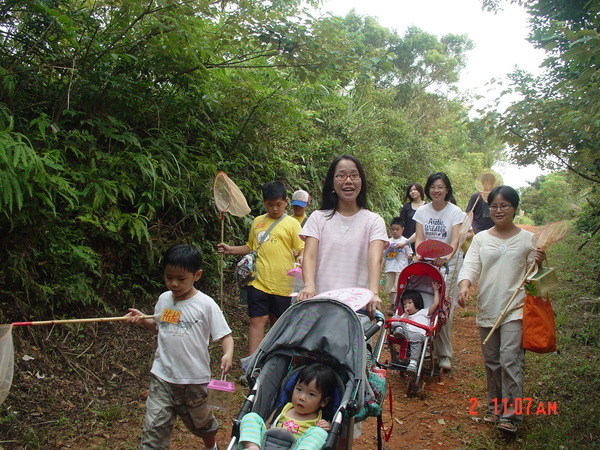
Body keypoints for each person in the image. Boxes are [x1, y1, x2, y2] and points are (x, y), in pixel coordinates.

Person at [125, 244, 234, 450]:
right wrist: (142, 320)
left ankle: (211, 446)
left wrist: (227, 353)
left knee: (201, 424)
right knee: (154, 427)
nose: (173, 284)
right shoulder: (164, 300)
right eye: (168, 277)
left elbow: (225, 336)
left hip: (194, 379)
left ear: (197, 275)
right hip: (162, 376)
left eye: (181, 279)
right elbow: (161, 326)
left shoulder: (206, 305)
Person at [457, 186, 545, 435]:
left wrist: (539, 261)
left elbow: (535, 277)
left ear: (514, 208)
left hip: (515, 308)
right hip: (488, 307)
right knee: (492, 361)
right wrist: (464, 286)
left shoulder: (528, 239)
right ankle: (495, 405)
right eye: (494, 206)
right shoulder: (482, 239)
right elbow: (470, 267)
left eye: (504, 205)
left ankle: (512, 415)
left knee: (510, 360)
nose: (498, 210)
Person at [218, 181, 304, 355]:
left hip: (283, 284)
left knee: (278, 323)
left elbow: (302, 249)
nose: (274, 209)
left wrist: (301, 258)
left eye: (279, 204)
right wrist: (230, 249)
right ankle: (251, 364)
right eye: (270, 205)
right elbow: (250, 247)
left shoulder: (293, 224)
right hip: (258, 281)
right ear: (264, 203)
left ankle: (275, 360)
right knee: (257, 320)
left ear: (286, 202)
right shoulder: (257, 222)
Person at [296, 155, 388, 317]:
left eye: (354, 175)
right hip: (320, 302)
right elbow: (309, 255)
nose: (348, 180)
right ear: (332, 183)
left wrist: (373, 292)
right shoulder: (318, 218)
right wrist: (309, 285)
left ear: (361, 181)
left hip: (357, 308)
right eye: (341, 175)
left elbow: (375, 259)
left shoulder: (374, 221)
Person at [413, 172, 464, 370]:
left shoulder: (455, 212)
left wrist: (446, 258)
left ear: (447, 189)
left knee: (445, 309)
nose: (437, 190)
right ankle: (424, 345)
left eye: (441, 187)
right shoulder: (422, 212)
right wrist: (419, 253)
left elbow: (455, 239)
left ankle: (444, 353)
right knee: (426, 302)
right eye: (433, 186)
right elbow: (419, 237)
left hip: (448, 264)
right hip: (426, 263)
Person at [239, 363, 336, 450]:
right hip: (268, 445)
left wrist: (327, 427)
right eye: (299, 389)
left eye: (311, 394)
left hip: (295, 446)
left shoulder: (320, 420)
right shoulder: (283, 409)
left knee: (320, 433)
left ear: (324, 401)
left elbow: (321, 441)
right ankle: (252, 446)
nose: (302, 397)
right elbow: (266, 427)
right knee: (251, 416)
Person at [390, 282, 441, 372]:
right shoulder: (404, 315)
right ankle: (399, 331)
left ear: (417, 302)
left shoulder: (424, 312)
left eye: (410, 303)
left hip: (418, 333)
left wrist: (436, 290)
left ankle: (413, 362)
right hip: (404, 333)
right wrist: (405, 315)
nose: (407, 306)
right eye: (405, 304)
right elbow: (401, 322)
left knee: (415, 336)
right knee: (396, 318)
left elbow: (436, 304)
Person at [383, 217, 413, 310]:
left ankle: (396, 305)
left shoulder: (405, 241)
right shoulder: (388, 242)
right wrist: (381, 266)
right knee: (389, 288)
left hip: (400, 269)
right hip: (389, 268)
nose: (395, 231)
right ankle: (392, 303)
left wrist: (409, 256)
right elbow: (384, 255)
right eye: (393, 229)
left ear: (402, 229)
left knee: (396, 288)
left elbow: (410, 253)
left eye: (397, 229)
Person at [399, 182, 426, 251]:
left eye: (415, 189)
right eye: (410, 191)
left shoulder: (427, 207)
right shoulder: (406, 207)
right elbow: (401, 223)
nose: (412, 192)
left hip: (422, 240)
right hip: (406, 240)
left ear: (420, 191)